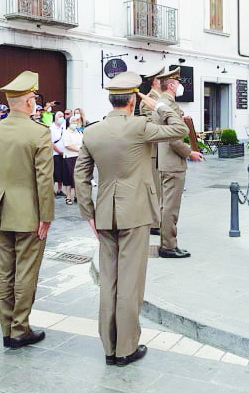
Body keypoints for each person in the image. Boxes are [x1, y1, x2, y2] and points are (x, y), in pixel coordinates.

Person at [74, 71, 188, 366]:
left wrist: (87, 212)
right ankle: (126, 348)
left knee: (108, 281)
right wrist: (158, 105)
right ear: (133, 99)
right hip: (135, 212)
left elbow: (81, 175)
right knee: (130, 284)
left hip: (105, 213)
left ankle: (109, 347)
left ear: (112, 99)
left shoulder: (92, 131)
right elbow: (179, 130)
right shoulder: (140, 126)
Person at [0, 71, 54, 349]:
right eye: (33, 98)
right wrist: (46, 216)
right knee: (25, 272)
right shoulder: (38, 132)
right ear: (27, 103)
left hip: (1, 209)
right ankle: (19, 328)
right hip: (30, 213)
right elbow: (44, 179)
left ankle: (6, 327)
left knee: (4, 271)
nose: (35, 102)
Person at [155, 67, 204, 258]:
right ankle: (168, 246)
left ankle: (167, 243)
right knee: (170, 207)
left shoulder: (160, 103)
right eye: (178, 82)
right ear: (173, 85)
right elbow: (173, 138)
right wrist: (189, 153)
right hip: (172, 161)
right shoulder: (169, 106)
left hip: (164, 160)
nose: (180, 85)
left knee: (165, 205)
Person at [139, 66, 165, 236]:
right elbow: (150, 128)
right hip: (155, 151)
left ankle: (157, 220)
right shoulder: (149, 101)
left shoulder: (159, 99)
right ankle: (154, 223)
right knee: (155, 187)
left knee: (160, 188)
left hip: (161, 151)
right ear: (156, 82)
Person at [61, 115, 83, 204]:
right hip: (69, 157)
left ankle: (77, 196)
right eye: (73, 122)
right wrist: (79, 149)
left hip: (79, 157)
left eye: (76, 121)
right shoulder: (66, 133)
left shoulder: (79, 132)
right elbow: (67, 145)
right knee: (69, 177)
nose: (75, 123)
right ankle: (68, 196)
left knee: (77, 178)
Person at [50, 110, 67, 197]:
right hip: (55, 154)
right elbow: (51, 142)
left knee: (61, 172)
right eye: (59, 116)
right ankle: (51, 190)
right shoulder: (51, 128)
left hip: (63, 154)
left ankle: (59, 190)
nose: (61, 118)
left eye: (62, 116)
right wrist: (58, 151)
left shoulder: (63, 127)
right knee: (54, 172)